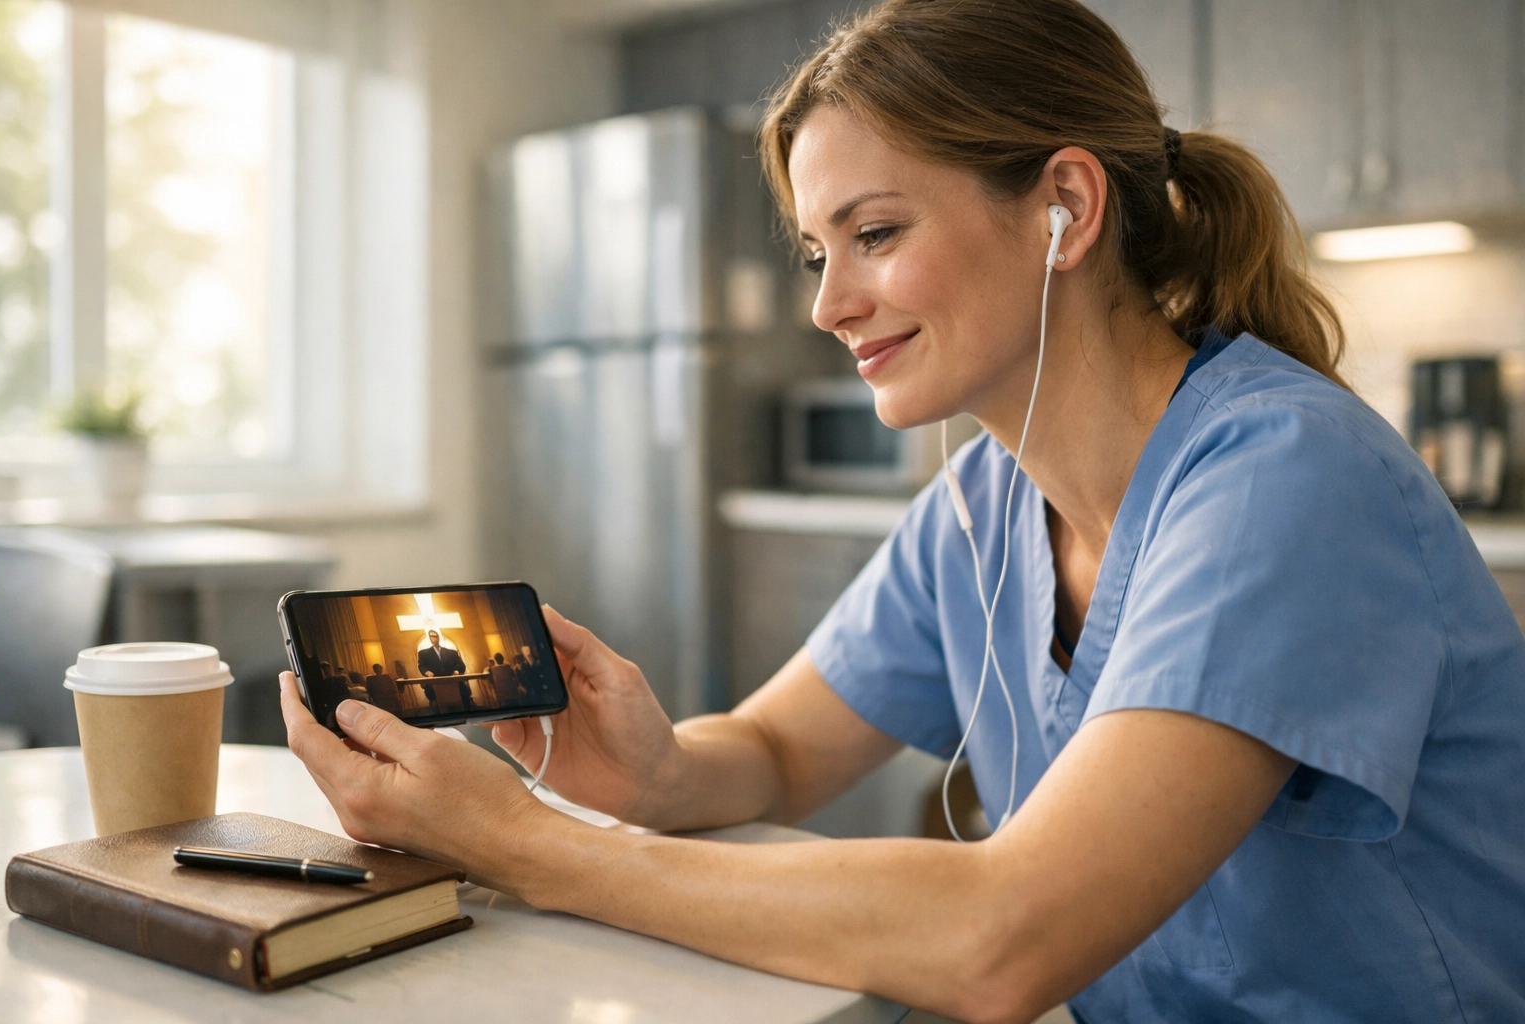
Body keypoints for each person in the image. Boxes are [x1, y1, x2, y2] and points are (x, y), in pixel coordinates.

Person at [279, 2, 1525, 1021]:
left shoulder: (1281, 478)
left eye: (875, 232)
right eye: (821, 252)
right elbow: (775, 752)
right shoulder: (982, 502)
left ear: (1066, 210)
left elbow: (1006, 935)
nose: (828, 307)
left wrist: (532, 846)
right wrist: (657, 771)